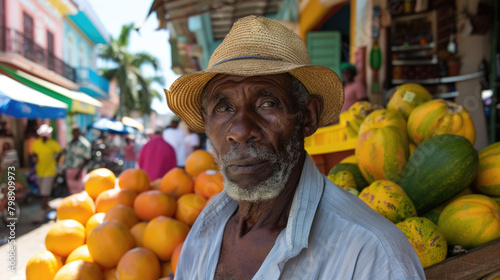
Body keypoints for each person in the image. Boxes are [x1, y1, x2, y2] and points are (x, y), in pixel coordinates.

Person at [165, 16, 425, 279]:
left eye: (267, 103)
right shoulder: (207, 225)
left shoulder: (370, 255)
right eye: (223, 108)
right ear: (207, 123)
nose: (241, 131)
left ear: (308, 117)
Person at [31, 124, 61, 223]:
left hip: (50, 171)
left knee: (44, 194)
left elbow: (60, 152)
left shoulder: (52, 143)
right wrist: (35, 158)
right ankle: (50, 209)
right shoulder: (37, 143)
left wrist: (57, 161)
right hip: (40, 171)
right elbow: (34, 154)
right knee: (44, 194)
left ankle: (41, 214)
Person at [62, 125, 91, 194]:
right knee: (72, 191)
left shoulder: (84, 144)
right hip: (69, 169)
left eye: (76, 131)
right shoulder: (70, 143)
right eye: (73, 131)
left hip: (78, 170)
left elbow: (86, 159)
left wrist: (79, 172)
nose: (75, 133)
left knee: (80, 191)